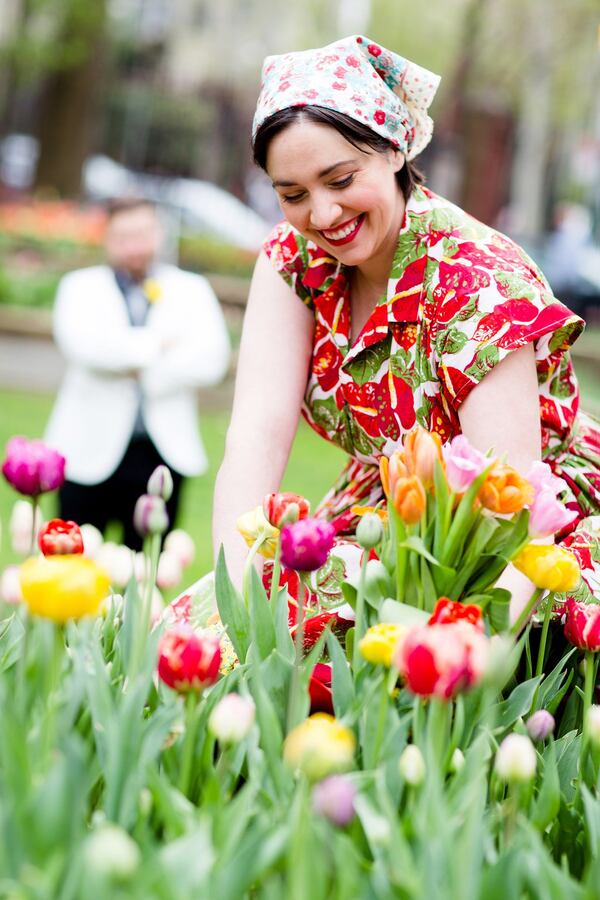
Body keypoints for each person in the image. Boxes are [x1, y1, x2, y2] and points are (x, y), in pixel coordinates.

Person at [211, 35, 600, 618]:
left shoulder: (475, 281)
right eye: (293, 194)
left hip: (526, 530)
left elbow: (514, 504)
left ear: (394, 149)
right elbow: (253, 442)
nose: (321, 216)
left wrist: (463, 655)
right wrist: (232, 604)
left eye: (340, 180)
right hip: (387, 507)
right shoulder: (295, 260)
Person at [45, 197, 231, 550]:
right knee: (70, 566)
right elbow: (84, 346)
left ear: (159, 234)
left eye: (143, 234)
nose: (134, 246)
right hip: (87, 449)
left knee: (145, 574)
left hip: (162, 454)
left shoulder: (192, 289)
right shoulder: (79, 287)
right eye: (123, 236)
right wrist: (160, 345)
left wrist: (133, 362)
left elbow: (212, 360)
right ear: (107, 238)